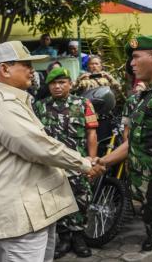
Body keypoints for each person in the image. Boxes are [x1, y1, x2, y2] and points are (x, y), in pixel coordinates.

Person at [0, 41, 104, 262]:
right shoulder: (3, 104)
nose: (32, 70)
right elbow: (40, 147)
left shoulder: (11, 99)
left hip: (30, 209)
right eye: (26, 64)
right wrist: (85, 163)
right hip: (19, 216)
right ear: (4, 69)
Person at [95, 35, 152, 261]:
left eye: (135, 57)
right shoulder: (140, 98)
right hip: (147, 193)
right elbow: (132, 142)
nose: (130, 64)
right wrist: (103, 162)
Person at [33, 67, 98, 258]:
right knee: (57, 201)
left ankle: (79, 238)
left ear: (70, 84)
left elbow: (91, 133)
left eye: (62, 82)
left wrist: (92, 160)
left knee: (81, 199)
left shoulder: (84, 103)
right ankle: (64, 238)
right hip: (52, 165)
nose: (58, 86)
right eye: (53, 83)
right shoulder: (40, 106)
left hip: (78, 162)